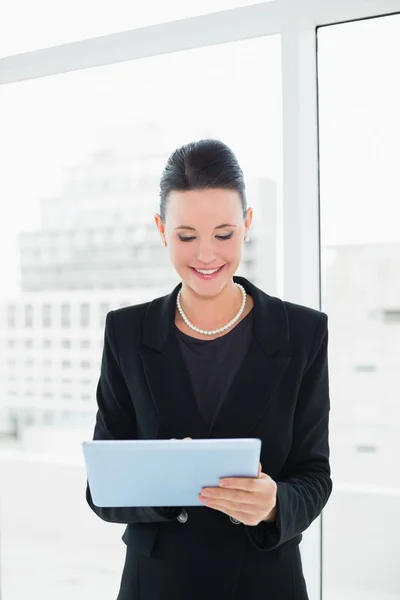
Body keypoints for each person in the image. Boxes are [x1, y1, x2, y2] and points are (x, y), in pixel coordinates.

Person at [86, 139, 332, 600]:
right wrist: (165, 479)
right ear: (161, 230)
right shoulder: (126, 332)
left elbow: (315, 473)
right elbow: (102, 489)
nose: (206, 255)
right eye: (186, 236)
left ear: (247, 224)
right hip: (157, 583)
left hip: (265, 582)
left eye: (223, 234)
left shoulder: (302, 332)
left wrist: (277, 503)